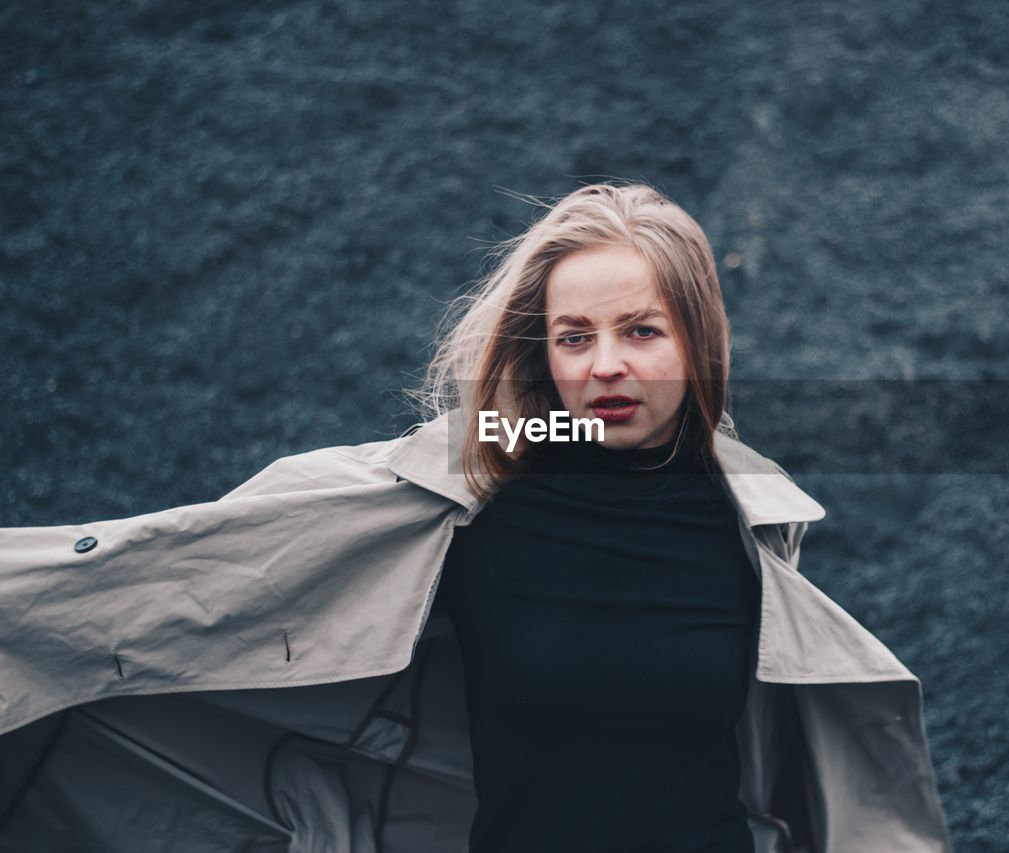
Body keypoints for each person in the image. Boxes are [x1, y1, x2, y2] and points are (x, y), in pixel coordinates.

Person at [0, 183, 953, 852]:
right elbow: (209, 585)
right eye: (575, 338)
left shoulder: (748, 522)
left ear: (697, 340)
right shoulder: (471, 496)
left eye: (641, 331)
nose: (604, 366)